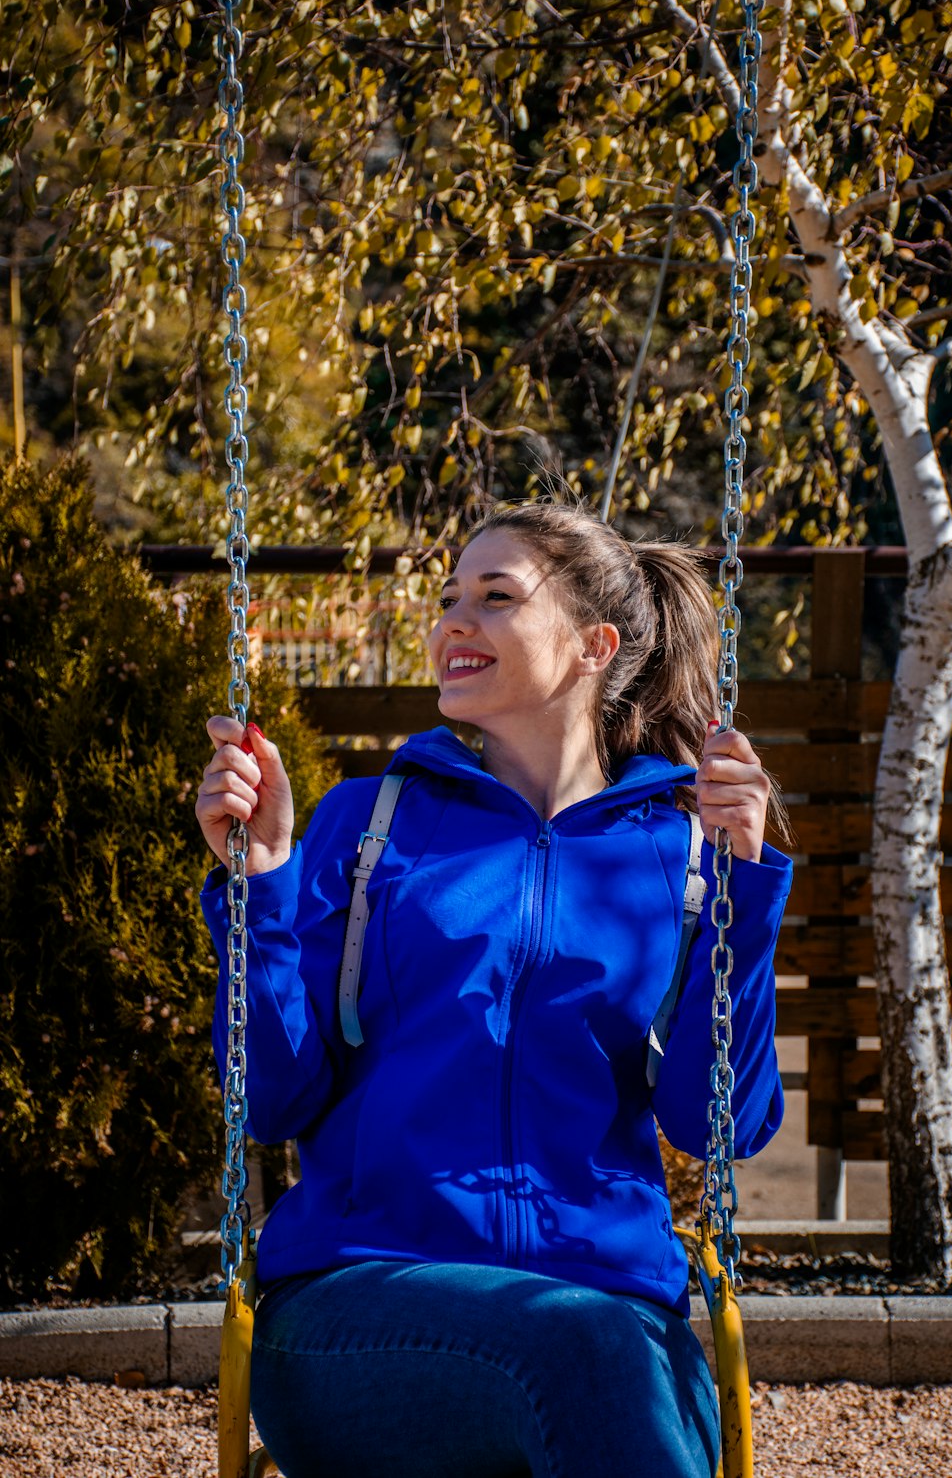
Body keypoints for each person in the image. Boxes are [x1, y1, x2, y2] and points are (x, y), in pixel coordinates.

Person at [196, 501, 792, 1478]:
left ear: (592, 646)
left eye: (495, 596)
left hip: (607, 1302)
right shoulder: (369, 824)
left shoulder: (676, 859)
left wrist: (740, 897)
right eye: (448, 598)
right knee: (592, 1361)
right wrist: (262, 882)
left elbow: (716, 1126)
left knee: (608, 1363)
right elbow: (272, 1099)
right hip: (363, 1299)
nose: (452, 622)